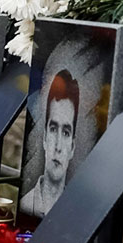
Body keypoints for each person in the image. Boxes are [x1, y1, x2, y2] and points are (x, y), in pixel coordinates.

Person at [21, 70, 79, 219]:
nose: (58, 146)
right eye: (53, 129)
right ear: (45, 138)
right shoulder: (25, 205)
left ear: (72, 147)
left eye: (66, 133)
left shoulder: (76, 217)